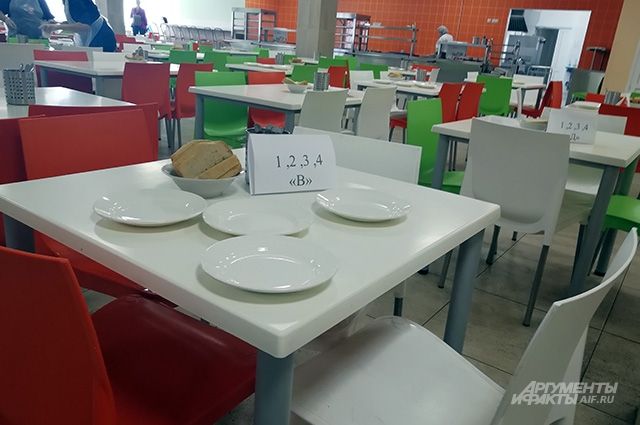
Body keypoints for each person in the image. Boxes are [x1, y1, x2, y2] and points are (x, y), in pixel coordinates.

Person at [40, 0, 116, 51]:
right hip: (94, 36)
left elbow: (85, 26)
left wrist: (57, 27)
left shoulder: (76, 1)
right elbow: (76, 21)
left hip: (101, 38)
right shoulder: (68, 2)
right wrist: (57, 24)